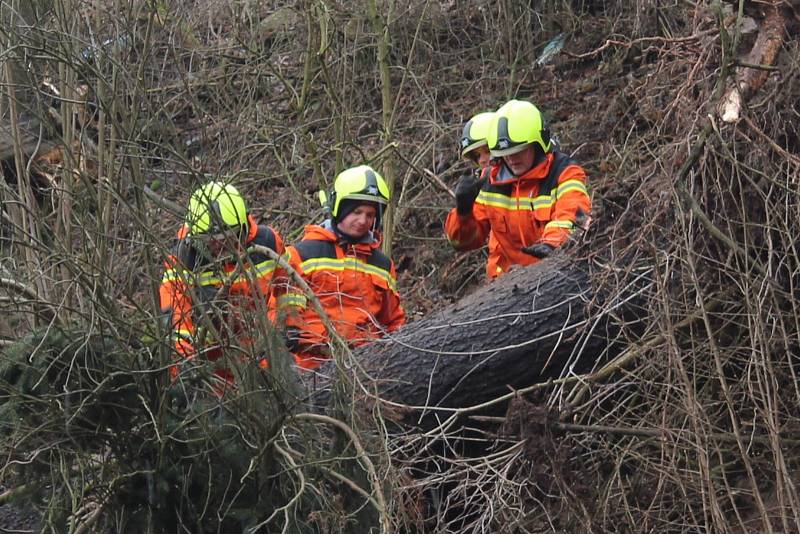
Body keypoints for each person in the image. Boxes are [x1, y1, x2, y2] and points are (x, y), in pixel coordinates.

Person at [444, 99, 591, 278]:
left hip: (551, 278)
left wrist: (551, 243)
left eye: (518, 151)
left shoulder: (564, 173)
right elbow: (462, 242)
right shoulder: (490, 181)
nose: (512, 159)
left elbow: (572, 214)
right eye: (506, 154)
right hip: (504, 286)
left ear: (536, 145)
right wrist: (463, 212)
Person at [159, 182, 285, 389]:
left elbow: (286, 289)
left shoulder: (267, 242)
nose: (219, 245)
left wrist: (278, 338)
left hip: (265, 357)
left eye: (227, 237)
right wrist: (184, 372)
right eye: (210, 240)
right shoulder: (183, 260)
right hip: (214, 368)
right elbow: (176, 320)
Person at [278, 165, 406, 370]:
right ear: (339, 208)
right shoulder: (303, 254)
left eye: (370, 214)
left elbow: (393, 322)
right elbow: (283, 311)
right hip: (312, 366)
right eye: (357, 212)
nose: (363, 220)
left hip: (367, 366)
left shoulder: (381, 265)